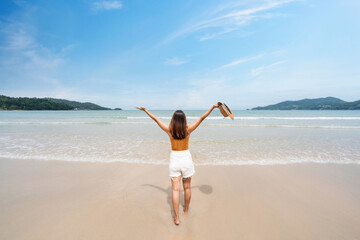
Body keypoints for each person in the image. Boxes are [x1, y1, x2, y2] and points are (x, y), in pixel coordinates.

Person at [135, 104, 219, 225]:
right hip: (186, 160)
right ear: (184, 119)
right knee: (187, 187)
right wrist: (212, 107)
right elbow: (202, 118)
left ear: (173, 120)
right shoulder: (188, 130)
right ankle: (185, 210)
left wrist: (145, 110)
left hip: (174, 160)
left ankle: (177, 218)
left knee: (175, 190)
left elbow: (156, 119)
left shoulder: (169, 130)